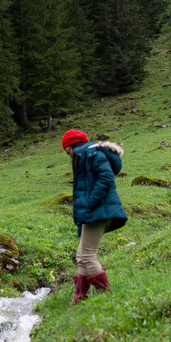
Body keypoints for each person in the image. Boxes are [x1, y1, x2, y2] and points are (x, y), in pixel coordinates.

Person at [62, 129, 128, 304]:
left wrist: (91, 202)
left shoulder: (93, 154)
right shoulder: (85, 156)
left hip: (98, 211)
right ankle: (80, 301)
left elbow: (106, 178)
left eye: (67, 149)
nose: (67, 154)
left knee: (87, 257)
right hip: (95, 212)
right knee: (81, 257)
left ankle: (107, 299)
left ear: (73, 145)